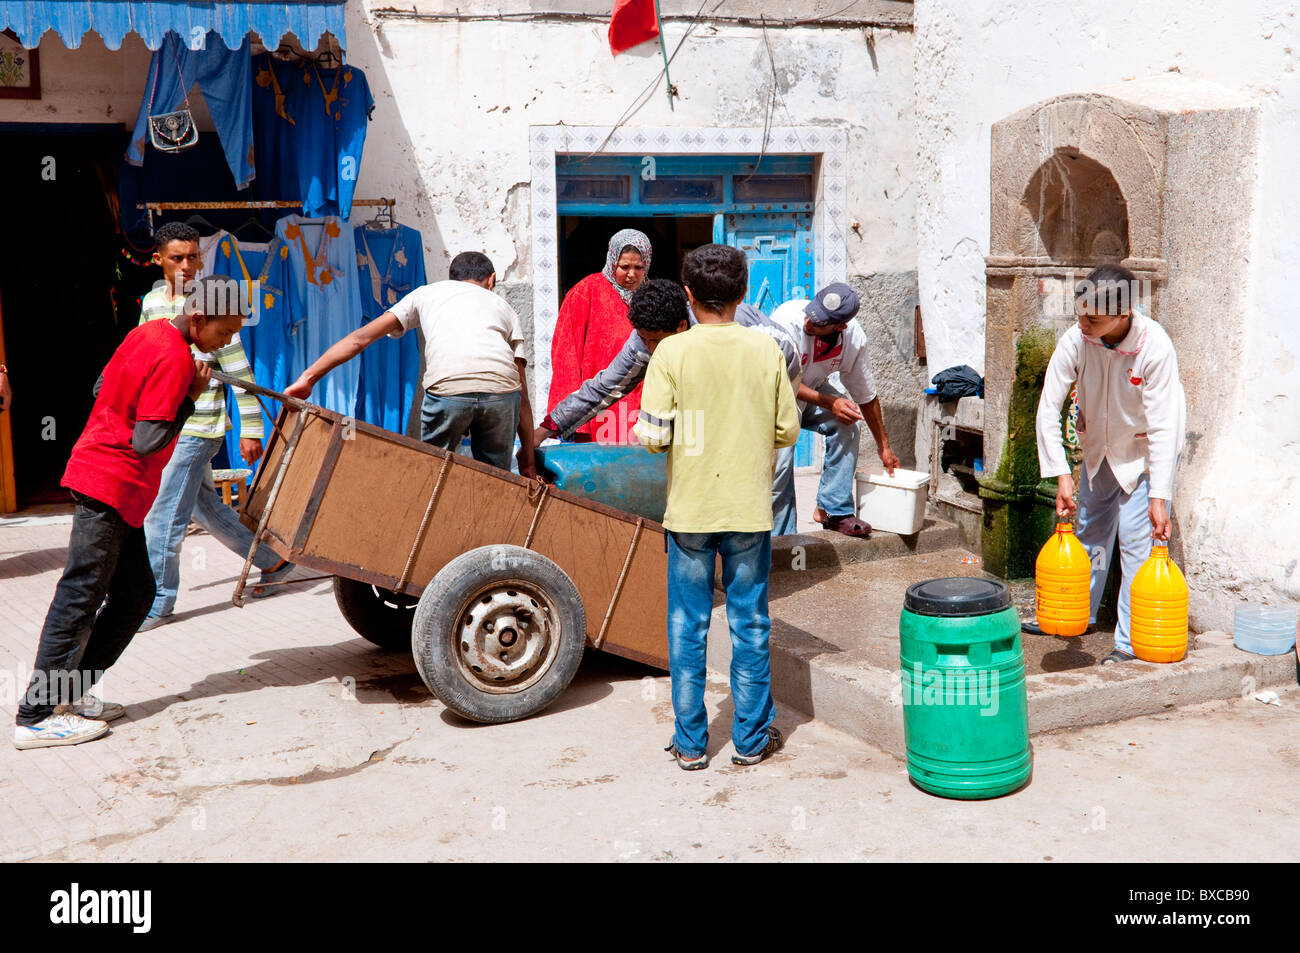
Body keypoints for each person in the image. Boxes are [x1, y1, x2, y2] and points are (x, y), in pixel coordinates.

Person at [15, 276, 243, 749]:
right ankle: (35, 715)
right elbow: (148, 439)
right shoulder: (178, 358)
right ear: (198, 318)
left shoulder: (146, 332)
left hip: (116, 486)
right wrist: (188, 398)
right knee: (80, 595)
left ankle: (69, 695)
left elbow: (100, 385)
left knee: (136, 594)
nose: (224, 346)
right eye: (224, 333)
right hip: (111, 484)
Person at [633, 244, 800, 770]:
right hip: (749, 512)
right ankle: (750, 742)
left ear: (686, 295)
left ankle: (689, 745)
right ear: (743, 294)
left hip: (690, 514)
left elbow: (655, 438)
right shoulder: (766, 350)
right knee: (751, 624)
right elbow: (786, 429)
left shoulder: (670, 354)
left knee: (687, 627)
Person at [1027, 265, 1186, 664]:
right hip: (1098, 452)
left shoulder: (1155, 348)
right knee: (1087, 535)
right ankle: (1077, 614)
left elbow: (1166, 426)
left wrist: (1160, 495)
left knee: (1136, 546)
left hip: (1143, 458)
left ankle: (1129, 642)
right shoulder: (1076, 340)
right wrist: (1062, 472)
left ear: (1124, 314)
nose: (1083, 323)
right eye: (1080, 313)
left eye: (1093, 318)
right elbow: (1048, 408)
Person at [138, 223, 292, 631]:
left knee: (163, 517)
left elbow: (240, 371)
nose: (186, 265)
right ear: (159, 260)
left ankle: (158, 602)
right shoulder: (152, 303)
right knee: (205, 508)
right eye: (177, 258)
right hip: (165, 425)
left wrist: (251, 429)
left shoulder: (215, 303)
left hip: (196, 428)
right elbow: (143, 358)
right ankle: (273, 559)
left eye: (193, 256)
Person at [285, 251, 536, 477]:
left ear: (451, 279)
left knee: (435, 473)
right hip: (501, 393)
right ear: (491, 280)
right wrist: (528, 462)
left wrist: (308, 378)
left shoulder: (426, 293)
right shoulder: (505, 307)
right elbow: (522, 395)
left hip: (448, 390)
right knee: (495, 481)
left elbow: (360, 339)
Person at [536, 283, 799, 445]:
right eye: (643, 338)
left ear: (681, 327)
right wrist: (547, 428)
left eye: (656, 341)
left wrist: (768, 415)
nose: (649, 348)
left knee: (773, 478)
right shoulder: (641, 344)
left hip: (762, 403)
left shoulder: (733, 328)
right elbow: (603, 388)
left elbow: (788, 350)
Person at [768, 283, 901, 537]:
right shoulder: (788, 321)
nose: (809, 323)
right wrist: (830, 402)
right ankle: (780, 537)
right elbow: (780, 382)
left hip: (813, 390)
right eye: (811, 314)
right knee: (781, 464)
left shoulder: (853, 339)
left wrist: (883, 446)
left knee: (848, 422)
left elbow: (866, 396)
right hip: (778, 395)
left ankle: (832, 511)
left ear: (840, 326)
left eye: (819, 324)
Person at [545, 229, 653, 442]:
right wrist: (574, 421)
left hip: (643, 406)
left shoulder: (653, 296)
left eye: (638, 267)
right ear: (612, 260)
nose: (631, 274)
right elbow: (566, 355)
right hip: (600, 407)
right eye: (624, 267)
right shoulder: (585, 292)